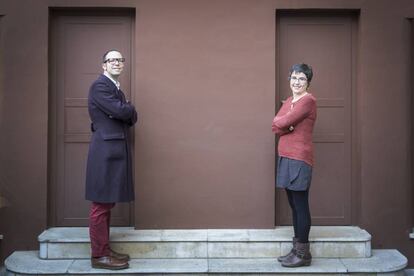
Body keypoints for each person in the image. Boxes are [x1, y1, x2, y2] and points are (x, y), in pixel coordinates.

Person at [85, 50, 137, 270]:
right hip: (105, 151)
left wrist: (125, 112)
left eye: (120, 59)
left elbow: (125, 116)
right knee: (100, 204)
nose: (116, 62)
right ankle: (99, 255)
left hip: (113, 149)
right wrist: (129, 108)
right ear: (103, 65)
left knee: (107, 203)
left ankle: (104, 249)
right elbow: (123, 112)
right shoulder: (100, 86)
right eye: (111, 60)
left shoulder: (115, 87)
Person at [272, 63, 317, 267]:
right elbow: (276, 124)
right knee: (293, 206)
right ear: (289, 79)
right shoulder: (290, 100)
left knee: (300, 206)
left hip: (299, 158)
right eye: (294, 77)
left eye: (301, 79)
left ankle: (303, 254)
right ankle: (296, 249)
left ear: (307, 82)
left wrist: (286, 124)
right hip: (285, 156)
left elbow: (282, 122)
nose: (297, 82)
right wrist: (286, 124)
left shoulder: (308, 101)